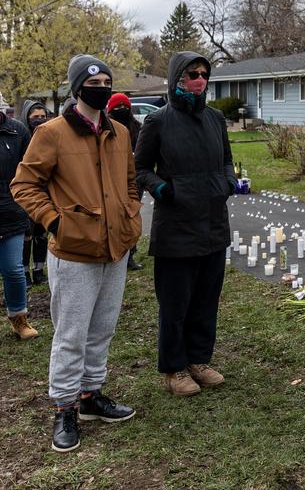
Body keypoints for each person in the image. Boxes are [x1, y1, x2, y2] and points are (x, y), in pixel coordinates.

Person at [12, 55, 142, 452]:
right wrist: (55, 222)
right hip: (73, 252)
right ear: (76, 88)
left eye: (107, 80)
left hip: (115, 248)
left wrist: (131, 217)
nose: (101, 86)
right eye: (93, 81)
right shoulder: (51, 133)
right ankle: (64, 407)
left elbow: (131, 183)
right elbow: (24, 184)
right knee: (71, 335)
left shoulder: (119, 132)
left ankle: (90, 397)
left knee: (103, 329)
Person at [135, 52, 236, 397]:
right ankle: (174, 368)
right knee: (176, 303)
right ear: (177, 77)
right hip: (176, 226)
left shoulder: (216, 119)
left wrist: (227, 183)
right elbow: (140, 170)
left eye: (204, 74)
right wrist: (164, 190)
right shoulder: (158, 122)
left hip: (213, 223)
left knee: (207, 299)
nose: (199, 79)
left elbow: (226, 161)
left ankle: (198, 360)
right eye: (192, 73)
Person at [1, 104, 36, 340]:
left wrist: (30, 211)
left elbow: (30, 175)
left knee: (13, 270)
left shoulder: (17, 131)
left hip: (11, 212)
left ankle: (19, 319)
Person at [107, 93, 143, 272]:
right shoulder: (106, 128)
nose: (121, 110)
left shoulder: (137, 127)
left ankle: (130, 254)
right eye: (117, 107)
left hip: (133, 180)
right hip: (112, 182)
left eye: (124, 107)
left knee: (131, 217)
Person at [19, 100, 52, 286]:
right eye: (35, 117)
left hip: (47, 191)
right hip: (27, 193)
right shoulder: (21, 136)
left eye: (42, 117)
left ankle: (39, 270)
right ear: (27, 118)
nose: (39, 120)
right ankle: (24, 272)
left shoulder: (50, 136)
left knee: (42, 232)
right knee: (27, 233)